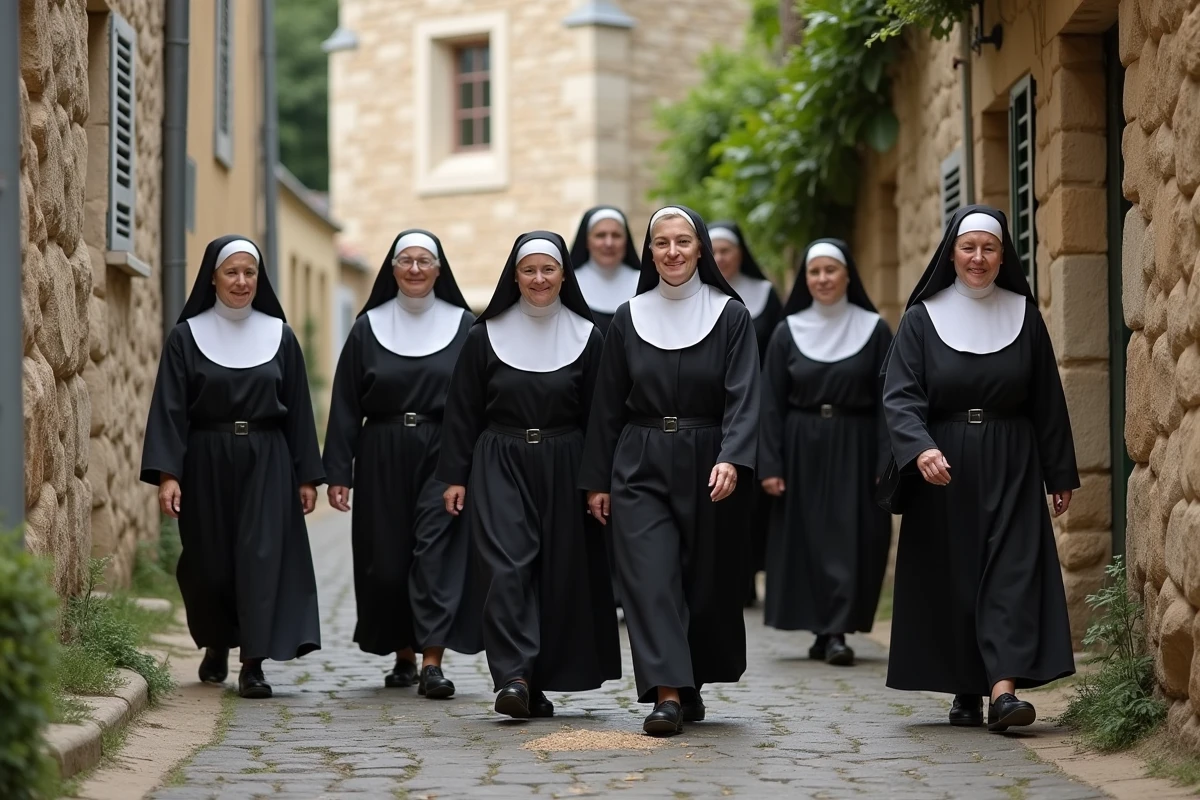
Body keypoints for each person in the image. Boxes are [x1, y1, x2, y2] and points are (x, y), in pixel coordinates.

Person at [881, 205, 1077, 732]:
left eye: (989, 249)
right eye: (969, 248)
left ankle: (1003, 690)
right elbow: (900, 396)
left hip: (1013, 457)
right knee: (955, 574)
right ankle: (965, 686)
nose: (978, 258)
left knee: (1011, 570)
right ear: (952, 254)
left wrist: (1058, 473)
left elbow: (1047, 401)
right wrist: (919, 449)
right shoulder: (924, 318)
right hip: (943, 460)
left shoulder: (1023, 314)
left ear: (1002, 256)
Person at [580, 206, 761, 736]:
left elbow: (746, 396)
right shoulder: (629, 316)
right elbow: (607, 406)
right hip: (640, 460)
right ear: (650, 251)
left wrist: (733, 454)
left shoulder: (731, 315)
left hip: (710, 459)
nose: (673, 252)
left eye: (683, 241)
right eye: (662, 243)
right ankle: (665, 694)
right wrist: (596, 480)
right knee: (650, 579)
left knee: (704, 586)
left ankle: (690, 681)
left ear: (701, 248)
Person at [436, 231, 620, 719]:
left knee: (558, 573)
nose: (539, 279)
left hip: (566, 459)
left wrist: (598, 480)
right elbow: (462, 410)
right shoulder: (484, 335)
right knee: (507, 566)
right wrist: (455, 475)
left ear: (564, 275)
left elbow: (601, 417)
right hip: (500, 458)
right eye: (529, 270)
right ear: (513, 276)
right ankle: (514, 676)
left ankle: (538, 678)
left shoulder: (588, 335)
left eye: (548, 269)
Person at [140, 235, 323, 699]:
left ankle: (253, 663)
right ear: (213, 277)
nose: (242, 282)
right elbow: (169, 409)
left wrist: (306, 476)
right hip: (205, 455)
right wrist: (168, 473)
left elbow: (299, 408)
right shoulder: (187, 336)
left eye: (250, 273)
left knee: (261, 559)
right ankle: (218, 640)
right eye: (232, 272)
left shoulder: (279, 335)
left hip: (268, 457)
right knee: (210, 565)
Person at [322, 229, 482, 697]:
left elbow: (474, 403)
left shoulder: (463, 326)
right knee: (387, 562)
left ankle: (433, 660)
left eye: (424, 261)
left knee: (435, 555)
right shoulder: (367, 327)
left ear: (439, 269)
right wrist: (338, 472)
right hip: (380, 450)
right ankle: (404, 655)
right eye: (405, 261)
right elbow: (347, 403)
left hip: (443, 450)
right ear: (392, 270)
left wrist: (468, 467)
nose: (414, 269)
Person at [758, 239, 892, 667]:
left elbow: (890, 400)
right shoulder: (787, 331)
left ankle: (837, 630)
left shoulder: (873, 329)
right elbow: (770, 402)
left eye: (830, 271)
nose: (822, 279)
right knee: (808, 537)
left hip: (856, 442)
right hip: (800, 445)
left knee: (850, 536)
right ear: (805, 279)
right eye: (814, 272)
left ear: (848, 275)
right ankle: (820, 626)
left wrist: (885, 461)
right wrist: (771, 463)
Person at [708, 221, 783, 607]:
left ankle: (748, 574)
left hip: (756, 406)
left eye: (728, 250)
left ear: (741, 255)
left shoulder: (765, 295)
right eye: (715, 250)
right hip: (710, 413)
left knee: (753, 500)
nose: (721, 257)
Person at [568, 205, 642, 335]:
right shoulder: (568, 285)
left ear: (626, 240)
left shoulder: (644, 285)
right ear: (586, 240)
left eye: (616, 235)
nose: (609, 243)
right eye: (600, 235)